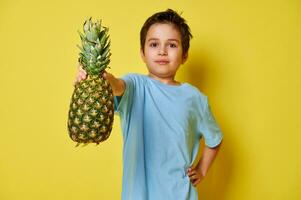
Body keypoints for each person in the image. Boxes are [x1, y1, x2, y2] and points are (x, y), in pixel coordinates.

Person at [74, 8, 223, 200]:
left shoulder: (194, 98)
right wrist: (97, 76)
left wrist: (202, 170)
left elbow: (215, 139)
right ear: (142, 53)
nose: (162, 51)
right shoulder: (136, 86)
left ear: (185, 55)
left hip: (180, 194)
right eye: (154, 44)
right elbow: (117, 85)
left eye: (172, 45)